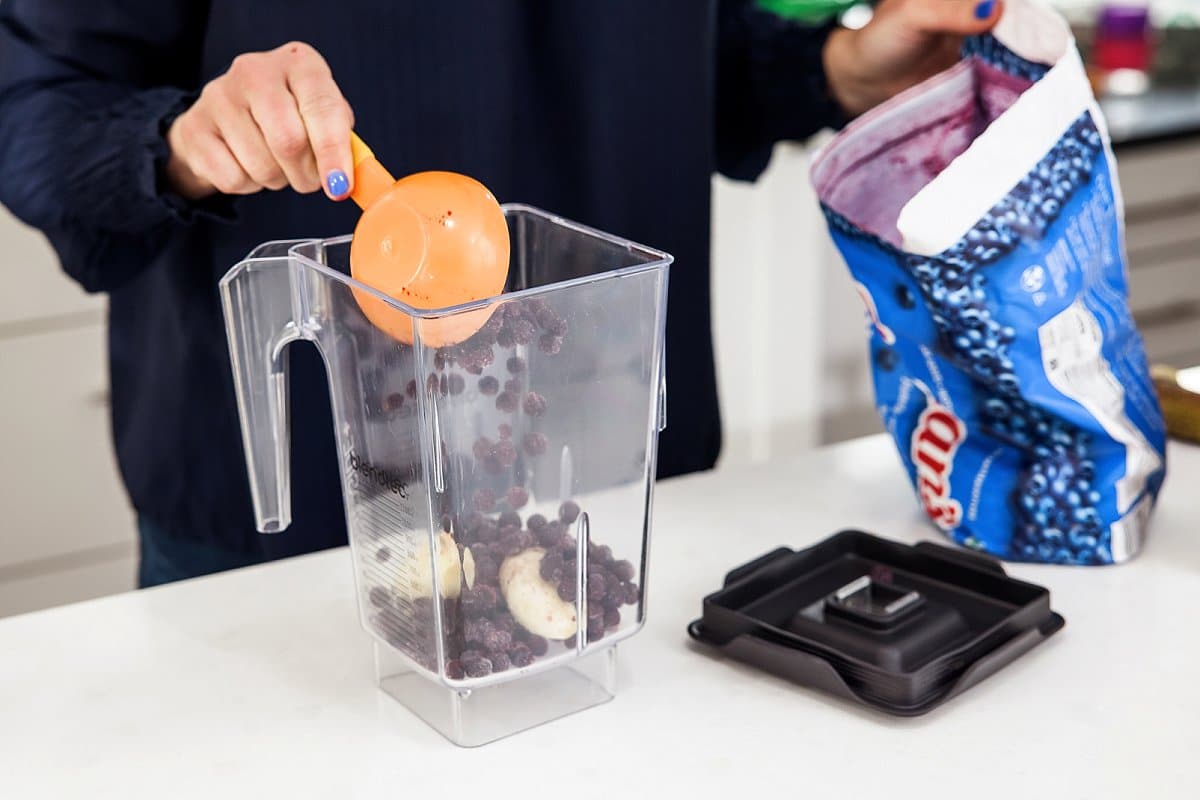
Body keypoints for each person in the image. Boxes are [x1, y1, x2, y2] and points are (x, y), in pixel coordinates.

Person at [0, 1, 1001, 587]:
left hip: (617, 500)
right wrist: (186, 142)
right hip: (298, 534)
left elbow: (691, 52)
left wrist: (834, 64)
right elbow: (40, 101)